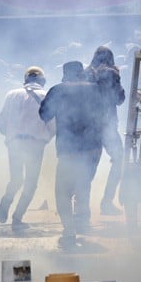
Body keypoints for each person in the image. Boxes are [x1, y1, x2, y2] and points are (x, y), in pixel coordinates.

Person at [39, 61, 105, 247]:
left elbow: (44, 114)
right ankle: (82, 222)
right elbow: (105, 114)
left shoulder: (58, 90)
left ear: (65, 74)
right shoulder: (96, 89)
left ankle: (69, 230)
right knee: (83, 186)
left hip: (69, 150)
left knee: (62, 193)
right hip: (93, 148)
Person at [0, 66, 55, 230]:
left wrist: (10, 136)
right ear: (42, 81)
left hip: (14, 143)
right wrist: (46, 139)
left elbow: (0, 121)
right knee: (30, 183)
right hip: (35, 145)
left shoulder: (11, 94)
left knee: (16, 179)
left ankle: (6, 200)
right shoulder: (45, 96)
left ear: (26, 80)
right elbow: (52, 125)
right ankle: (17, 218)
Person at [85, 45, 125, 215]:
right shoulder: (111, 73)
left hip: (87, 126)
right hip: (106, 125)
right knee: (119, 159)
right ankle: (106, 202)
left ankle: (81, 205)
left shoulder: (86, 73)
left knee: (87, 166)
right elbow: (119, 99)